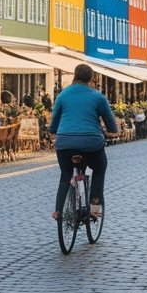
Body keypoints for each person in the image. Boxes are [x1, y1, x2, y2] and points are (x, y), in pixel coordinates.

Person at [48, 64, 119, 221]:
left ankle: (58, 210)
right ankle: (95, 206)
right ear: (91, 79)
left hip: (65, 143)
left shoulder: (62, 95)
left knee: (66, 174)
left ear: (74, 75)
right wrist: (112, 132)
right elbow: (111, 125)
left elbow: (53, 125)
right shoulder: (98, 97)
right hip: (91, 143)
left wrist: (54, 131)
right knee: (99, 168)